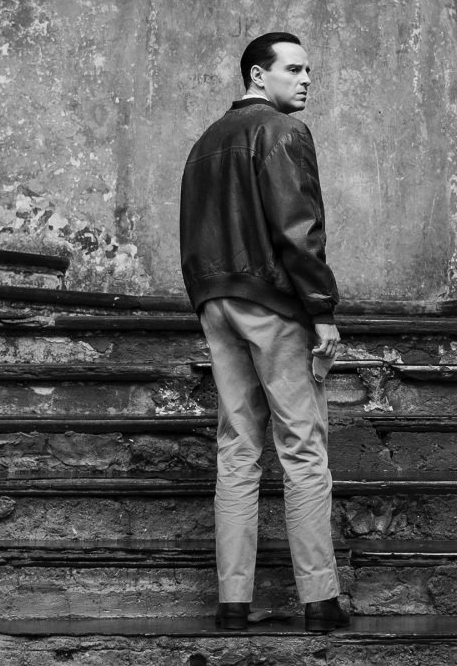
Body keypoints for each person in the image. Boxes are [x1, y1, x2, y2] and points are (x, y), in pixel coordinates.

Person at [178, 31, 348, 633]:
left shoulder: (204, 144)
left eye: (309, 71)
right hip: (272, 302)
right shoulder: (282, 131)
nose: (306, 80)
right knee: (302, 447)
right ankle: (320, 603)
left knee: (238, 447)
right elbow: (299, 228)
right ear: (257, 76)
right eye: (294, 69)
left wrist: (207, 297)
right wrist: (321, 308)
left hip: (215, 301)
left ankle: (232, 604)